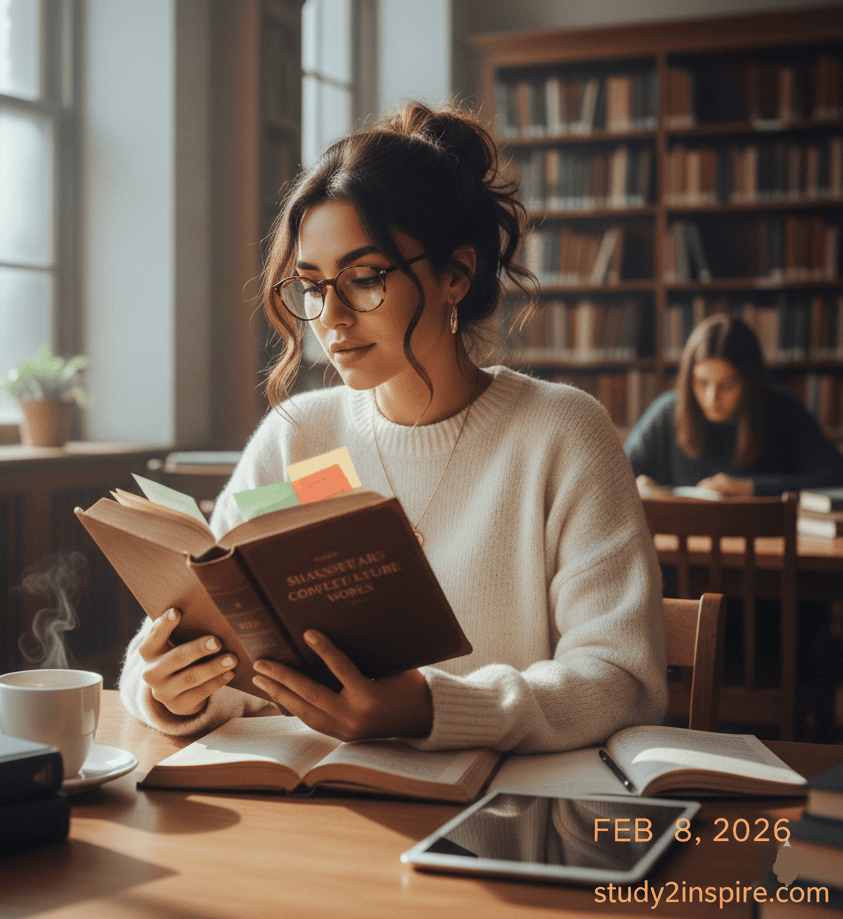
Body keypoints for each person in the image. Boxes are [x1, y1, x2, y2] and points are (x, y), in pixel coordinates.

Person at [119, 101, 668, 754]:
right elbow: (220, 652)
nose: (331, 317)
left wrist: (433, 707)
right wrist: (167, 687)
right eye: (314, 286)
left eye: (365, 279)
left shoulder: (561, 432)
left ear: (455, 276)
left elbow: (621, 681)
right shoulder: (297, 433)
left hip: (502, 818)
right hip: (322, 809)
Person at [626, 313, 843, 496]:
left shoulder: (782, 409)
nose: (712, 397)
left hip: (767, 542)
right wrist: (639, 485)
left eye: (727, 384)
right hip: (683, 543)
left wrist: (751, 487)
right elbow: (611, 473)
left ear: (750, 381)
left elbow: (835, 475)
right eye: (701, 383)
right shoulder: (667, 411)